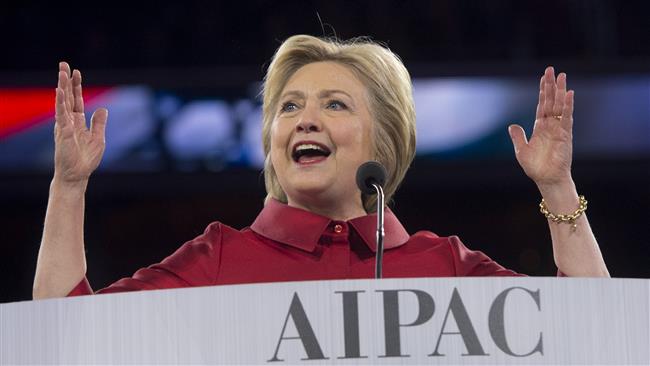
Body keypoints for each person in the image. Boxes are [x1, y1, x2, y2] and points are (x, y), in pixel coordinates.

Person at [32, 35, 609, 299]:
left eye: (334, 104)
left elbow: (592, 336)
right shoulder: (217, 260)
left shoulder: (444, 265)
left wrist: (557, 185)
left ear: (383, 139)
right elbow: (63, 334)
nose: (304, 120)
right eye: (289, 107)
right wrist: (69, 185)